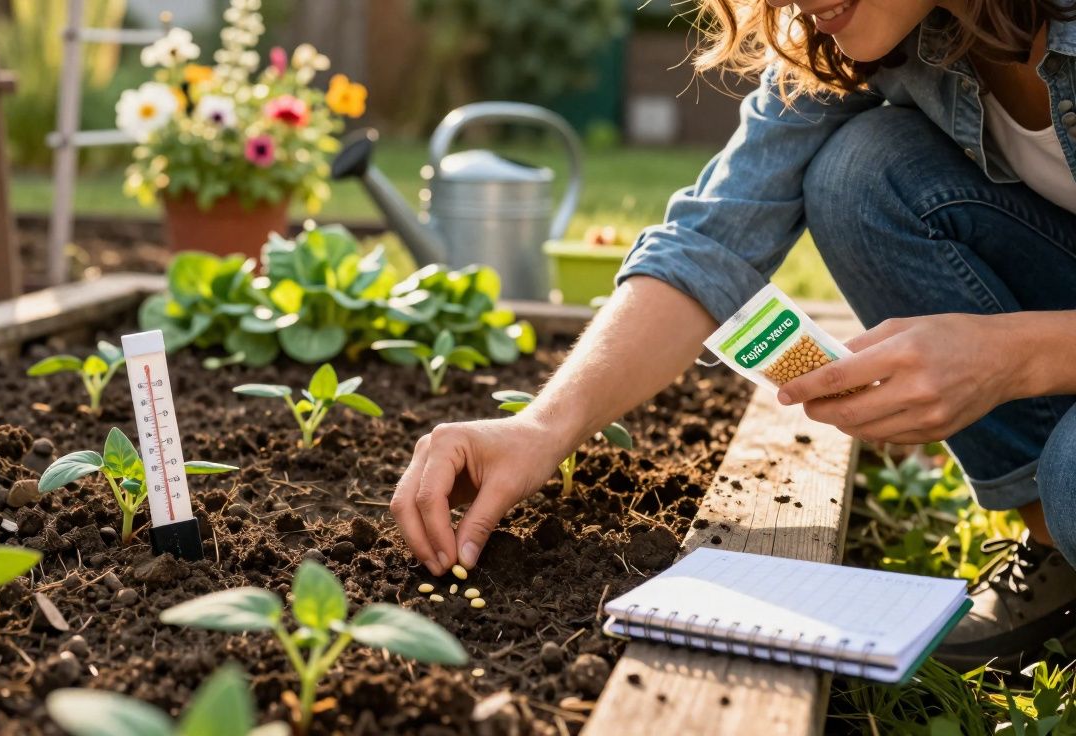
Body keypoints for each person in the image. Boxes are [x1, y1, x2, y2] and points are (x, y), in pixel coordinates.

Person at [388, 0, 1076, 671]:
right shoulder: (867, 38)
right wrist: (539, 429)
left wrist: (1011, 358)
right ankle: (1057, 552)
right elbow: (711, 241)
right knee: (859, 172)